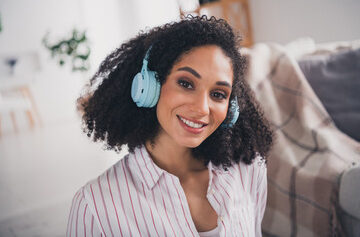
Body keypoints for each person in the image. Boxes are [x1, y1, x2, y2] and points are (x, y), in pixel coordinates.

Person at [67, 15, 274, 237]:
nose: (203, 108)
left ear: (230, 108)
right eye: (186, 84)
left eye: (218, 94)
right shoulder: (95, 206)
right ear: (148, 87)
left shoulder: (249, 170)